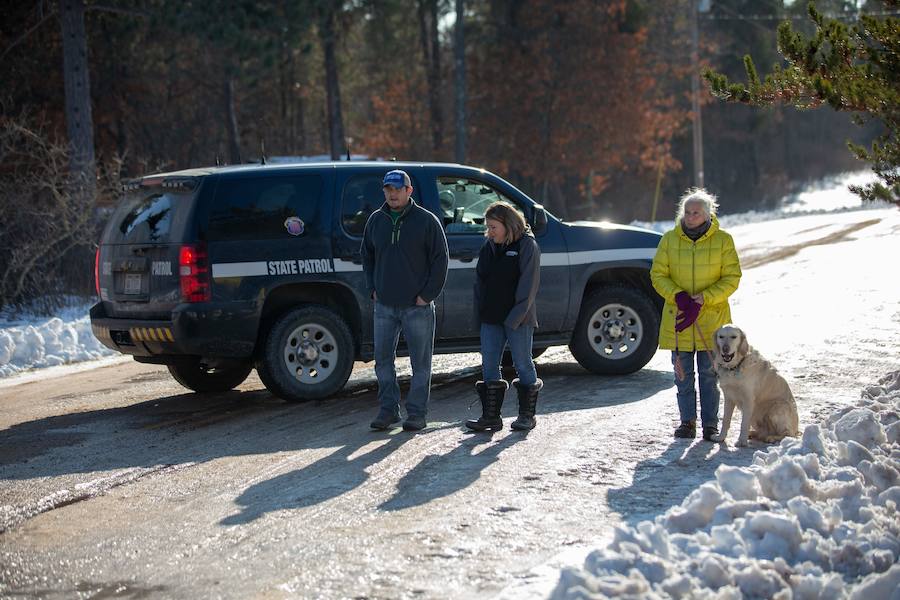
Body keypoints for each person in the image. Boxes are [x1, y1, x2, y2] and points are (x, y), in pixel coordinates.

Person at [650, 188, 742, 441]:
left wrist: (703, 298)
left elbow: (732, 278)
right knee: (683, 376)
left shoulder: (723, 240)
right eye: (687, 212)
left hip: (711, 321)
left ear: (708, 214)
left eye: (696, 213)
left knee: (710, 375)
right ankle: (687, 422)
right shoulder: (669, 239)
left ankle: (710, 425)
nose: (691, 217)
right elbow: (658, 275)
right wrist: (678, 295)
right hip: (678, 319)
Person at [361, 169, 449, 431]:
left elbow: (440, 260)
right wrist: (372, 289)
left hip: (417, 307)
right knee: (382, 362)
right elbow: (367, 256)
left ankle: (417, 414)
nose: (392, 194)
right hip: (384, 306)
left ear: (409, 191)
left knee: (420, 364)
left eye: (397, 189)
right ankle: (388, 411)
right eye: (388, 189)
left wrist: (427, 296)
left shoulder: (426, 221)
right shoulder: (376, 221)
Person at [466, 202, 542, 432]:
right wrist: (479, 315)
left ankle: (526, 416)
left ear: (507, 225)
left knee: (523, 363)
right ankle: (491, 417)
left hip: (518, 318)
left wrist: (514, 318)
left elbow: (529, 286)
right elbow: (480, 281)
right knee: (489, 364)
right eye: (488, 227)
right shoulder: (489, 247)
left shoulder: (527, 246)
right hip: (491, 316)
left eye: (493, 227)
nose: (489, 232)